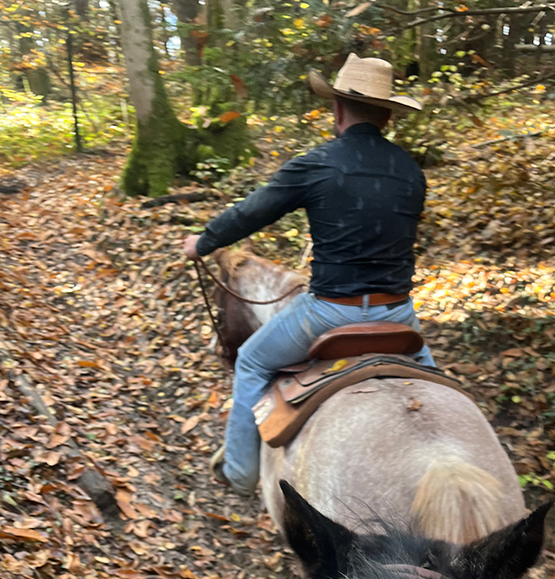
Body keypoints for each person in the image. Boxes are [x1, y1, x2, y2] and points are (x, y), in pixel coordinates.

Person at [184, 54, 433, 496]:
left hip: (328, 314)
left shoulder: (317, 163)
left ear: (337, 109)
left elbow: (252, 212)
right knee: (440, 392)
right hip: (399, 316)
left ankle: (240, 472)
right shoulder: (411, 171)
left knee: (252, 361)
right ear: (389, 115)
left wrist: (203, 242)